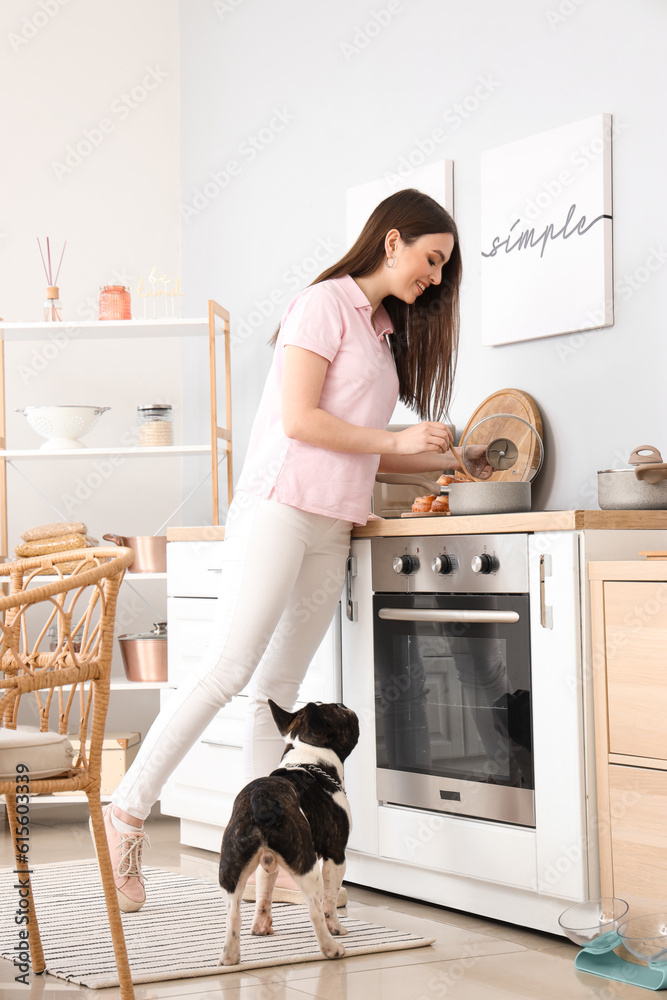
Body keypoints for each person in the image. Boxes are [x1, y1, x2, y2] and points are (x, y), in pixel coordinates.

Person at [100, 187, 468, 913]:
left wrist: (444, 463)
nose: (434, 277)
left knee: (273, 702)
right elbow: (301, 421)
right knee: (227, 670)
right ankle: (125, 815)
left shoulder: (383, 332)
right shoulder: (323, 304)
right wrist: (396, 439)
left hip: (333, 521)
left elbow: (359, 450)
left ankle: (262, 844)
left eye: (443, 269)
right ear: (391, 241)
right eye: (430, 260)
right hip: (280, 506)